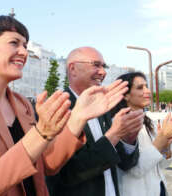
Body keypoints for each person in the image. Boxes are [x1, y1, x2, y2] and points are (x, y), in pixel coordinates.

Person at [0, 16, 129, 196]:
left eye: (25, 45)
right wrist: (42, 133)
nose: (24, 52)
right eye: (14, 43)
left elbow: (48, 164)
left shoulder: (21, 104)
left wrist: (78, 117)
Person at [46, 47, 142, 196]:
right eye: (96, 65)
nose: (103, 72)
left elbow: (125, 163)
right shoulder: (56, 108)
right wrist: (114, 135)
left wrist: (129, 139)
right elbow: (65, 174)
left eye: (104, 66)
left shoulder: (103, 107)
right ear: (73, 69)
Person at [110, 72, 172, 196]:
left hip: (159, 188)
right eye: (140, 87)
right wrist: (161, 140)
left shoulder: (148, 122)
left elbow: (162, 165)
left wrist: (167, 146)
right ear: (125, 95)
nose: (148, 91)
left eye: (147, 86)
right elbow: (135, 170)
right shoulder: (118, 125)